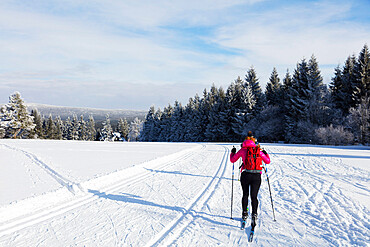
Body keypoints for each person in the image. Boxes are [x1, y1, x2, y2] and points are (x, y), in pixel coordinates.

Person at [230, 131, 271, 227]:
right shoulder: (258, 150)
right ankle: (254, 214)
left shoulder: (243, 150)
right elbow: (267, 161)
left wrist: (233, 152)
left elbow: (232, 160)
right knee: (254, 196)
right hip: (257, 176)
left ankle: (244, 213)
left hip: (245, 175)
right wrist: (266, 153)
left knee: (245, 194)